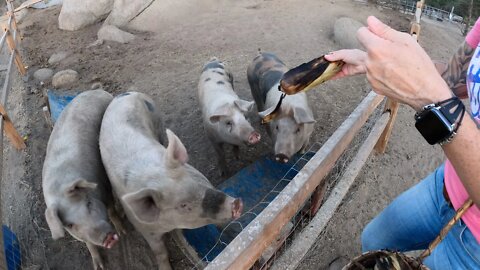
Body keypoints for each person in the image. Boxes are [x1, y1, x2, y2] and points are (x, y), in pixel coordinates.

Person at [324, 16, 480, 269]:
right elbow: (455, 76)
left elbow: (438, 93)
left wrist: (436, 102)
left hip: (475, 249)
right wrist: (377, 63)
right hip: (448, 183)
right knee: (373, 239)